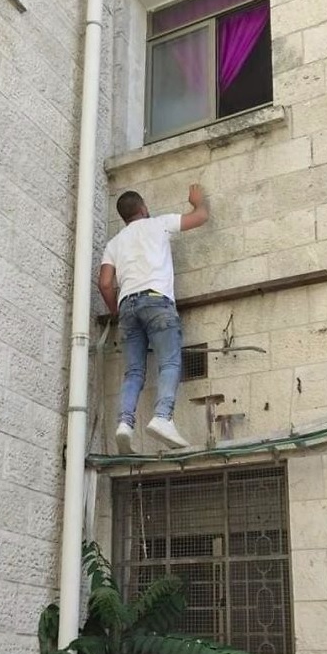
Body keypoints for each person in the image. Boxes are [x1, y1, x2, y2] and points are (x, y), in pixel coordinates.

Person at [98, 184, 209, 454]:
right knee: (169, 361)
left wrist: (116, 310)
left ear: (124, 217)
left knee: (134, 371)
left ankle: (124, 424)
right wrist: (198, 200)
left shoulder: (114, 244)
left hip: (127, 306)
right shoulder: (158, 224)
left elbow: (104, 283)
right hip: (157, 299)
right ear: (143, 208)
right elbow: (201, 217)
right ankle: (162, 417)